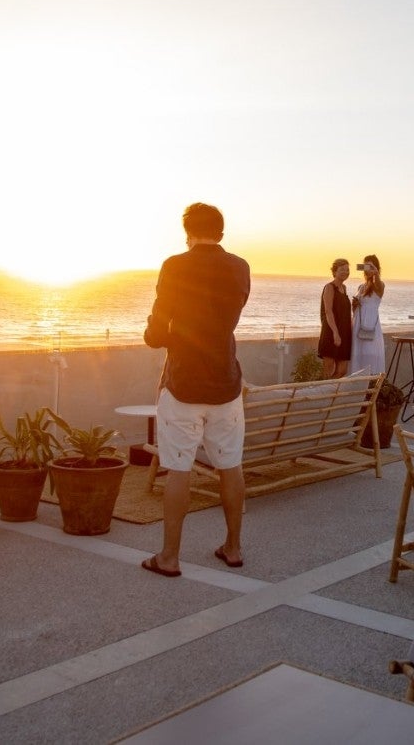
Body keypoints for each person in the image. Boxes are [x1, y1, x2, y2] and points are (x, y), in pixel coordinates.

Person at [142, 203, 251, 577]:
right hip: (226, 382)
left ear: (187, 232)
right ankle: (233, 547)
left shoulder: (175, 266)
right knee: (230, 466)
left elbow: (156, 335)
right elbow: (225, 320)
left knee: (178, 469)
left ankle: (169, 557)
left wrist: (161, 333)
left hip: (184, 384)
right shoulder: (240, 267)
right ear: (221, 233)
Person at [349, 254, 385, 376]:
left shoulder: (379, 285)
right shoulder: (361, 286)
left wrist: (376, 274)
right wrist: (354, 305)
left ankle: (371, 387)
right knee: (358, 355)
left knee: (370, 355)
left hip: (370, 325)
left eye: (371, 266)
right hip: (358, 324)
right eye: (366, 266)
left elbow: (378, 285)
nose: (367, 269)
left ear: (376, 268)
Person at [317, 258, 352, 378]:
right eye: (342, 269)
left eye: (347, 270)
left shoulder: (344, 288)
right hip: (331, 331)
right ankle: (325, 394)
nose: (345, 272)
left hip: (344, 332)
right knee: (328, 368)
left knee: (342, 370)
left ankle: (329, 392)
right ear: (335, 271)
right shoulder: (329, 287)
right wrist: (335, 333)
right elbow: (328, 311)